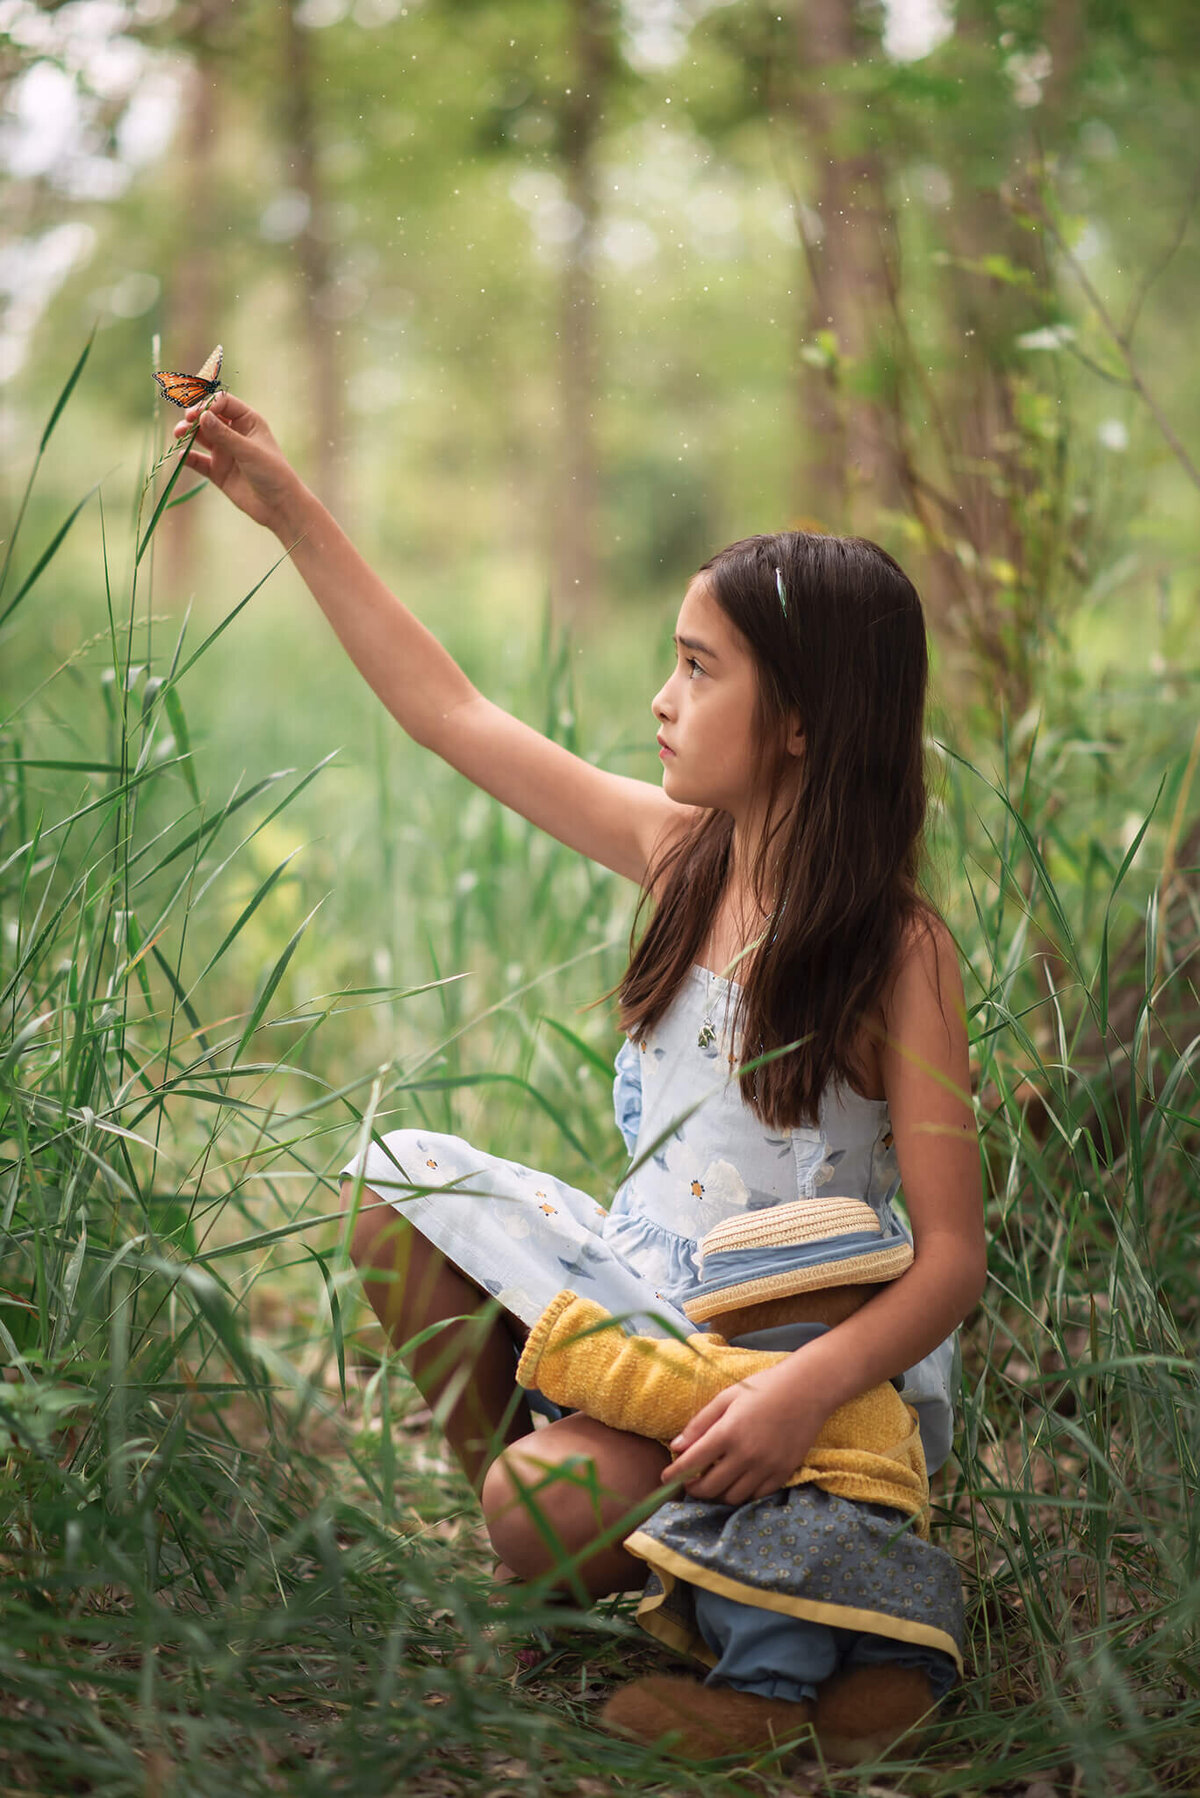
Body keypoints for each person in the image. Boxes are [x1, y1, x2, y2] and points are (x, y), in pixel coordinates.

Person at [176, 392, 986, 1610]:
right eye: (672, 659)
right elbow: (452, 715)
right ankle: (593, 1538)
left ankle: (671, 1549)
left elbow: (952, 1259)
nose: (663, 697)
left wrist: (798, 1393)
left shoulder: (899, 954)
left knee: (531, 1508)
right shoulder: (678, 851)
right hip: (635, 1307)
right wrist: (289, 510)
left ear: (806, 722)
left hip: (786, 1370)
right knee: (398, 1187)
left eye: (700, 669)